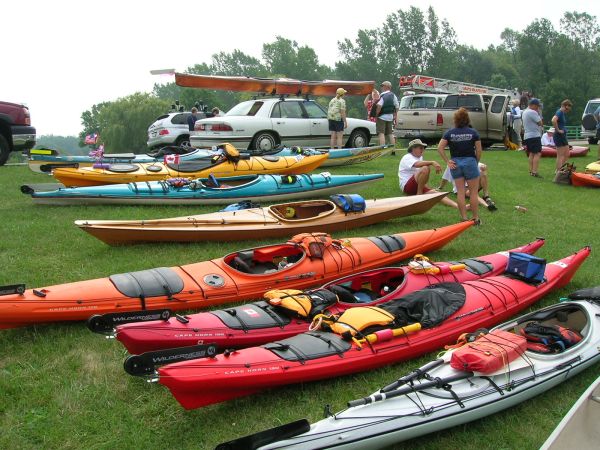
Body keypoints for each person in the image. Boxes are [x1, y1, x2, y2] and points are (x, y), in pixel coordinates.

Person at [436, 107, 482, 225]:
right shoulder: (473, 132)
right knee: (473, 192)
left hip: (456, 163)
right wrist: (475, 162)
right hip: (470, 162)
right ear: (467, 119)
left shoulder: (450, 133)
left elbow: (440, 148)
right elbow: (479, 150)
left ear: (455, 119)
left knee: (460, 192)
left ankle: (464, 218)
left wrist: (447, 161)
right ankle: (476, 219)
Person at [398, 139, 458, 209]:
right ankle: (419, 196)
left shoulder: (420, 157)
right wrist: (432, 162)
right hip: (407, 187)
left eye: (423, 148)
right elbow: (417, 165)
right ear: (413, 148)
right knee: (425, 168)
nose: (423, 150)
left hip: (416, 186)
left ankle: (459, 206)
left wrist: (427, 188)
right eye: (420, 148)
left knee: (438, 194)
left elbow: (421, 177)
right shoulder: (407, 157)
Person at [522, 98, 544, 178]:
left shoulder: (525, 112)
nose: (538, 108)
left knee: (531, 153)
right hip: (534, 135)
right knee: (537, 153)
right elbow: (540, 123)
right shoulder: (533, 112)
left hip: (527, 135)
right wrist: (539, 114)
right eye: (537, 106)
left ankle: (531, 171)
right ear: (532, 105)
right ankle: (535, 171)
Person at [375, 81, 399, 152]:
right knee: (390, 134)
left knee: (381, 133)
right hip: (390, 117)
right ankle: (393, 150)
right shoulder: (393, 95)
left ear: (386, 87)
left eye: (382, 86)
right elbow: (397, 106)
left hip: (382, 117)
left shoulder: (382, 96)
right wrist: (395, 115)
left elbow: (379, 106)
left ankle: (382, 150)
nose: (381, 87)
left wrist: (376, 114)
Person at [551, 99, 573, 172]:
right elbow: (553, 120)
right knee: (560, 155)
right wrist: (558, 130)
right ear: (565, 106)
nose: (568, 111)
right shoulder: (559, 112)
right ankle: (558, 171)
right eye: (568, 108)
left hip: (563, 136)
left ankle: (561, 169)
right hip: (558, 136)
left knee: (567, 154)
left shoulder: (562, 113)